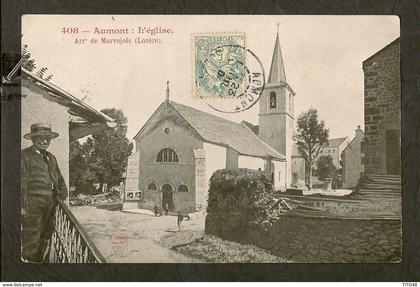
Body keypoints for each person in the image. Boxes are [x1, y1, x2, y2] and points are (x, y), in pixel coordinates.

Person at [21, 123, 68, 262]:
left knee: (47, 231)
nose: (45, 141)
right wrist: (22, 206)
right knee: (32, 232)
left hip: (51, 201)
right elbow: (21, 181)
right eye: (40, 138)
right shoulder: (24, 155)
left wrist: (62, 195)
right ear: (33, 139)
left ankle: (41, 261)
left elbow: (58, 177)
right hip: (33, 201)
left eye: (47, 138)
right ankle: (29, 262)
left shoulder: (51, 157)